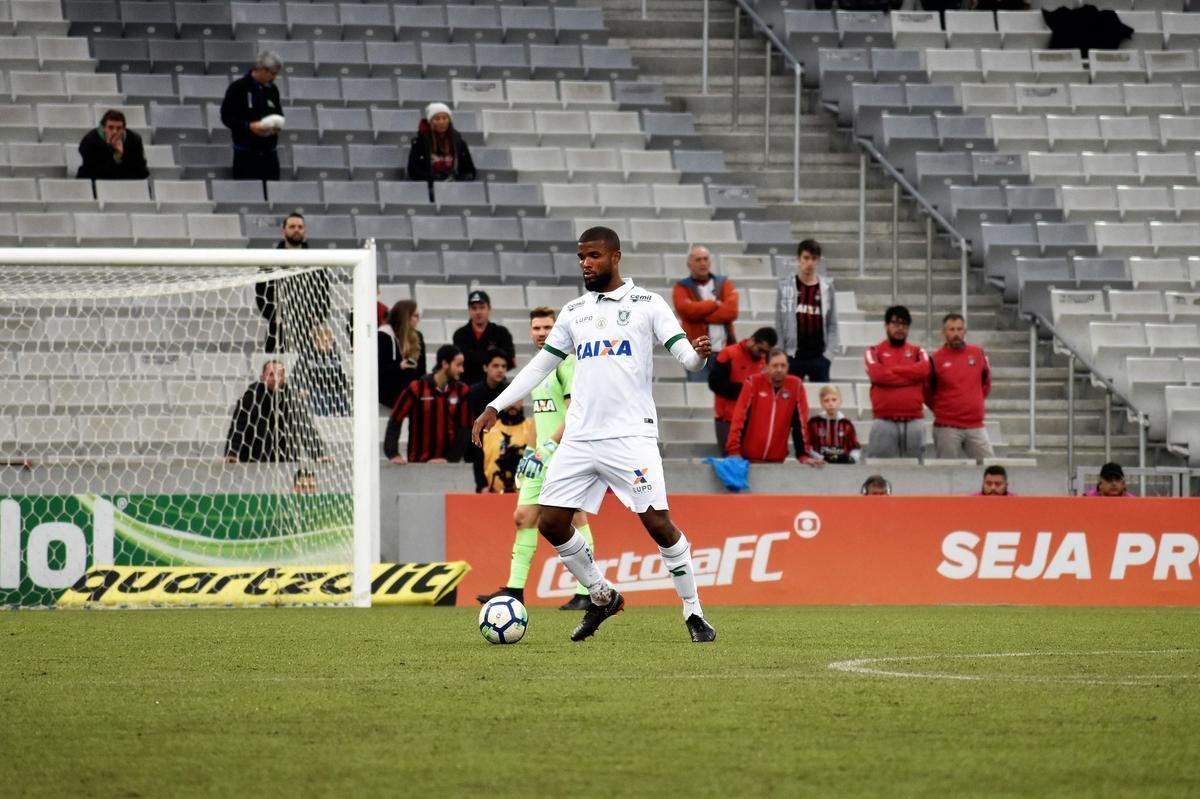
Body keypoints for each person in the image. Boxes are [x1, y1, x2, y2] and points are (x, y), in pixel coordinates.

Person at [472, 226, 717, 643]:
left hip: (630, 436)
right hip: (581, 436)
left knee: (657, 524)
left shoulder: (647, 304)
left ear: (615, 257)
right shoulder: (574, 312)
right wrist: (495, 405)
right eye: (581, 256)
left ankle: (693, 612)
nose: (586, 263)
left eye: (594, 256)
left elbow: (687, 358)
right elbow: (540, 367)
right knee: (550, 521)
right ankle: (602, 595)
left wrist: (698, 356)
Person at [475, 306, 598, 612]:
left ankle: (587, 590)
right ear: (530, 332)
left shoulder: (567, 364)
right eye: (536, 328)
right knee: (523, 518)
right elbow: (539, 416)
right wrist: (529, 452)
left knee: (575, 518)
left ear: (557, 329)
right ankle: (514, 590)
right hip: (541, 459)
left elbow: (574, 414)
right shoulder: (539, 367)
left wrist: (548, 448)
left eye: (547, 328)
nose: (542, 333)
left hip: (565, 455)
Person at [725, 348, 820, 466]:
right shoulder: (753, 382)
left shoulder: (796, 386)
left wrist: (803, 455)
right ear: (766, 366)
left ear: (788, 366)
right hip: (746, 459)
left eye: (783, 365)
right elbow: (739, 418)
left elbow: (800, 424)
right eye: (775, 365)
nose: (779, 369)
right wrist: (734, 451)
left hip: (776, 460)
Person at [254, 213, 332, 354]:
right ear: (283, 231)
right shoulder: (270, 260)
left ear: (305, 231)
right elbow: (261, 293)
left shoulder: (316, 262)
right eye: (292, 226)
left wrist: (317, 318)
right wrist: (273, 317)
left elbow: (324, 294)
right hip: (279, 328)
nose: (296, 230)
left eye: (300, 227)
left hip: (309, 329)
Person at [223, 360, 330, 463]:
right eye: (271, 374)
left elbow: (306, 428)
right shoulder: (250, 398)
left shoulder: (292, 399)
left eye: (279, 374)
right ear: (262, 377)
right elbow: (238, 428)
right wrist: (232, 453)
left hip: (287, 460)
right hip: (254, 460)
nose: (275, 378)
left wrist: (319, 454)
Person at [864, 305, 930, 460]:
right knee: (881, 471)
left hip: (914, 421)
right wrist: (910, 375)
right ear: (886, 325)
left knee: (917, 473)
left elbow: (925, 370)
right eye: (895, 323)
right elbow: (877, 375)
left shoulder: (918, 351)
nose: (900, 328)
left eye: (905, 325)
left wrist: (892, 370)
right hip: (884, 421)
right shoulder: (874, 351)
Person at [384, 344, 469, 464]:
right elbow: (396, 418)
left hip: (448, 466)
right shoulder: (417, 388)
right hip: (418, 464)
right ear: (445, 364)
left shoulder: (462, 391)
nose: (462, 370)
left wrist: (449, 459)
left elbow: (464, 428)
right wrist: (393, 453)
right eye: (458, 365)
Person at [927, 313, 994, 460]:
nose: (956, 334)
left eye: (959, 329)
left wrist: (973, 400)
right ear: (943, 333)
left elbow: (986, 382)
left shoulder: (978, 353)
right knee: (947, 471)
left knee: (990, 467)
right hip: (947, 427)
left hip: (975, 426)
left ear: (965, 331)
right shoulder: (935, 359)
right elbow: (926, 391)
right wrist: (943, 408)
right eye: (951, 330)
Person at [672, 245, 739, 383]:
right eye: (698, 259)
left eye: (705, 259)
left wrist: (700, 314)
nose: (702, 263)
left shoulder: (724, 283)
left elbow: (731, 311)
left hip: (725, 352)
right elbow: (686, 311)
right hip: (696, 353)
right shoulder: (681, 287)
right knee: (699, 395)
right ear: (689, 264)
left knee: (723, 397)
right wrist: (714, 304)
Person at [776, 239, 839, 383]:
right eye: (806, 258)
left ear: (818, 261)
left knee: (821, 402)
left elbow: (833, 324)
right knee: (789, 402)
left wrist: (828, 355)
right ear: (798, 259)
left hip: (819, 357)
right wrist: (781, 354)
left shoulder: (827, 288)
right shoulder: (785, 287)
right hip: (792, 357)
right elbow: (779, 323)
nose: (810, 262)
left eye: (814, 258)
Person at [707, 327, 777, 453]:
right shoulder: (728, 354)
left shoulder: (764, 363)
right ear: (752, 340)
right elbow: (715, 384)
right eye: (760, 350)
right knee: (730, 459)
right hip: (727, 419)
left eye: (765, 352)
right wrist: (745, 391)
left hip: (753, 420)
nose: (762, 355)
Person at [220, 50, 284, 181]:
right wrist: (248, 126)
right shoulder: (238, 87)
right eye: (272, 74)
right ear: (262, 69)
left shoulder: (272, 89)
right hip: (246, 153)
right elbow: (226, 117)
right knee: (248, 195)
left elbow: (278, 113)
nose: (274, 78)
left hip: (269, 154)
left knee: (273, 195)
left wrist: (277, 125)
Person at [406, 101, 476, 197]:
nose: (441, 122)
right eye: (437, 118)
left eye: (444, 118)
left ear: (449, 120)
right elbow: (413, 171)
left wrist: (457, 181)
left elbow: (469, 170)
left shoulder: (459, 142)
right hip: (429, 190)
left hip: (454, 190)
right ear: (430, 121)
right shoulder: (419, 143)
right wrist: (435, 180)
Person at [452, 290, 516, 388]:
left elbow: (510, 361)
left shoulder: (501, 332)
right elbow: (461, 361)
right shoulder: (460, 334)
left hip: (496, 386)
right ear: (469, 310)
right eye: (474, 308)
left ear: (489, 308)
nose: (478, 312)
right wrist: (492, 357)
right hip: (467, 385)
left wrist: (475, 357)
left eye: (482, 307)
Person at [468, 349, 511, 492]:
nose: (500, 370)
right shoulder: (473, 392)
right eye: (495, 366)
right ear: (485, 367)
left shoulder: (510, 392)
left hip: (504, 444)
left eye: (504, 366)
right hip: (477, 445)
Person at [378, 300, 425, 410]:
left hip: (411, 391)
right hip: (388, 391)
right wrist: (399, 366)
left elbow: (422, 370)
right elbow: (379, 370)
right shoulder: (383, 336)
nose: (418, 320)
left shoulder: (418, 336)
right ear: (405, 317)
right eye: (415, 316)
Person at [76, 109, 149, 181]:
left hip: (125, 183)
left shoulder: (134, 140)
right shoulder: (90, 140)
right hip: (96, 182)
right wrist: (117, 156)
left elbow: (142, 171)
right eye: (110, 127)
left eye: (119, 128)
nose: (115, 132)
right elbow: (93, 172)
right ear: (103, 128)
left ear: (124, 129)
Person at [294, 324, 349, 416]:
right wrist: (301, 388)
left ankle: (337, 414)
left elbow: (341, 377)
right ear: (316, 342)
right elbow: (297, 375)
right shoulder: (306, 356)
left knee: (339, 396)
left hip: (333, 392)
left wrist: (344, 391)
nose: (328, 344)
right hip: (314, 393)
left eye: (330, 341)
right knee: (318, 395)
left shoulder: (335, 357)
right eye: (325, 341)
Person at [807, 385, 861, 464]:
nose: (831, 404)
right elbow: (807, 446)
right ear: (821, 403)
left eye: (834, 400)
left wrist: (851, 459)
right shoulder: (814, 423)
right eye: (826, 401)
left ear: (840, 401)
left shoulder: (846, 424)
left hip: (842, 467)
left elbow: (855, 448)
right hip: (819, 465)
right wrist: (820, 458)